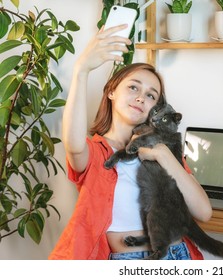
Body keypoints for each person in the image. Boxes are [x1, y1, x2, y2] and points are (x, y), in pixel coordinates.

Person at [49, 24, 212, 260]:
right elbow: (73, 145)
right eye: (133, 87)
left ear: (155, 109)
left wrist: (166, 156)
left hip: (178, 254)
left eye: (150, 95)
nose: (140, 97)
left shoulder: (163, 150)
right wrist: (81, 70)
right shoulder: (96, 152)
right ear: (112, 91)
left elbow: (203, 212)